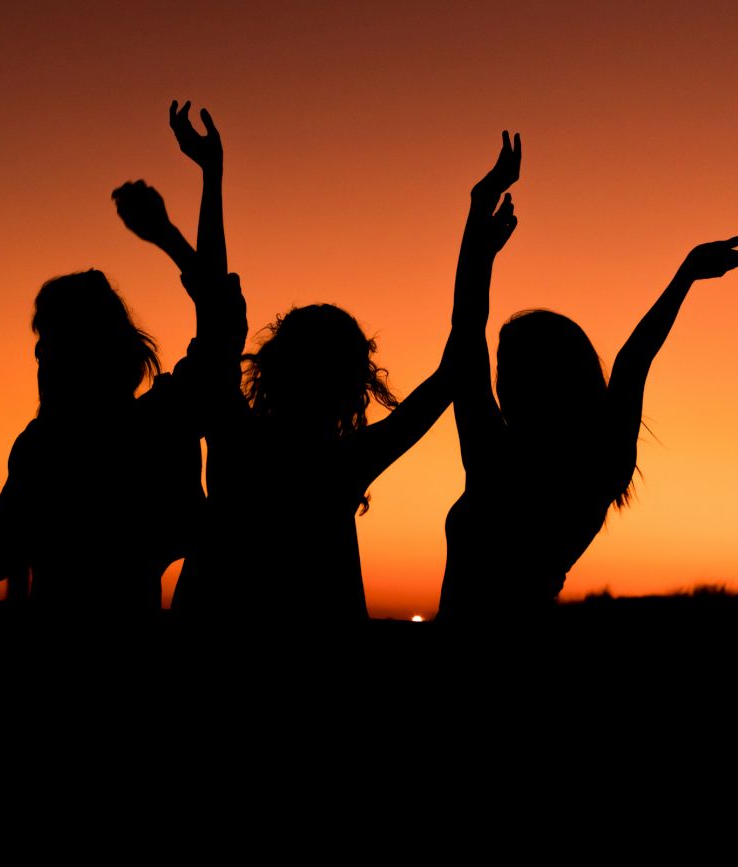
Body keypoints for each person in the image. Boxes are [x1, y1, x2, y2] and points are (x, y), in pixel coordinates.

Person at [123, 103, 519, 623]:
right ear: (355, 384)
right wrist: (478, 240)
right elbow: (457, 363)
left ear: (272, 364)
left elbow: (215, 313)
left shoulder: (235, 434)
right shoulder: (344, 463)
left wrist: (210, 176)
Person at [438, 132, 738, 622]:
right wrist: (685, 276)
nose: (499, 381)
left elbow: (466, 327)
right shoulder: (598, 463)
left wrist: (479, 216)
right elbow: (633, 361)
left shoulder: (495, 457)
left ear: (541, 378)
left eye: (509, 367)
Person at [0, 261, 205, 619]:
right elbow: (217, 338)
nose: (39, 354)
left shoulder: (46, 446)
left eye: (47, 341)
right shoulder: (156, 424)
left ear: (74, 350)